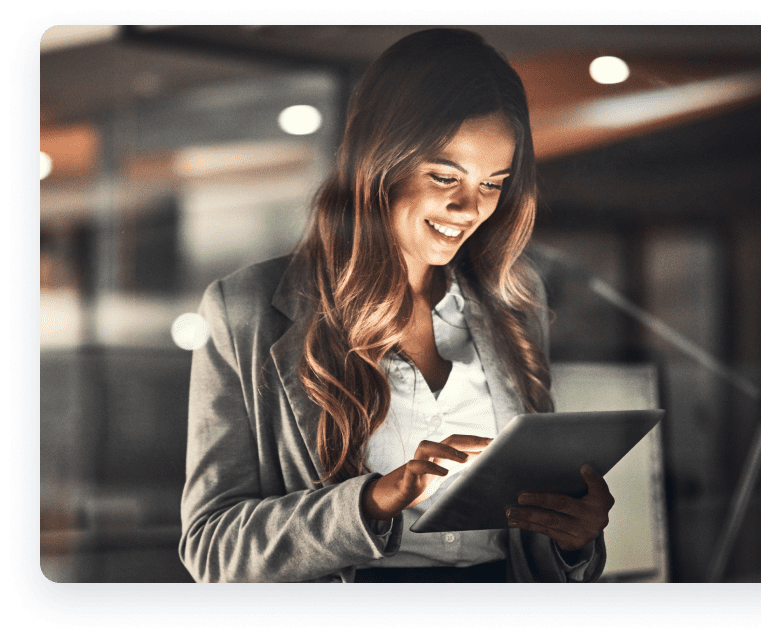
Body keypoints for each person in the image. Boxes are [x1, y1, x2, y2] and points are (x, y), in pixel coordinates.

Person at [179, 28, 613, 583]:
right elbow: (211, 548)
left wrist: (573, 540)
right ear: (380, 162)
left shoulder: (513, 301)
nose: (469, 208)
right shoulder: (246, 309)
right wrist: (373, 501)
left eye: (493, 184)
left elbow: (532, 544)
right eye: (444, 176)